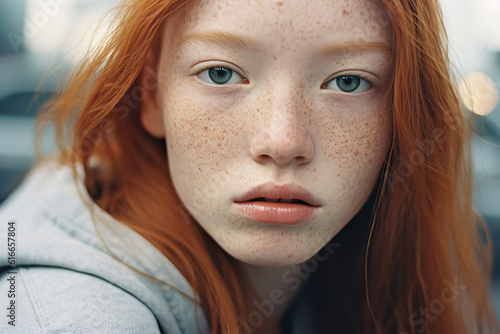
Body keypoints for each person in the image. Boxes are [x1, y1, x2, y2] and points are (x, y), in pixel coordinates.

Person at [0, 0, 498, 333]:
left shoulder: (383, 264)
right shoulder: (70, 313)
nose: (282, 142)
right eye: (221, 73)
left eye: (348, 82)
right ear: (151, 96)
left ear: (403, 114)